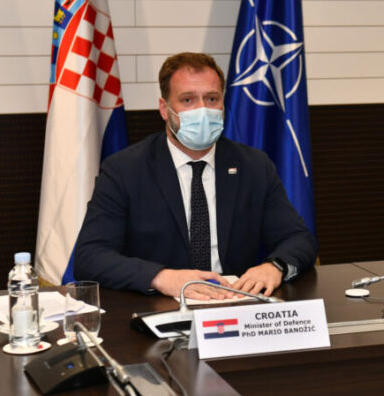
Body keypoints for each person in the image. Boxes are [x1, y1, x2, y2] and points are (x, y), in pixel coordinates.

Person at [73, 52, 317, 299]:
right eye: (188, 100)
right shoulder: (124, 169)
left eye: (212, 99)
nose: (202, 110)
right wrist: (161, 277)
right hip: (159, 304)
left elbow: (298, 238)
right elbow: (90, 256)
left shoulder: (254, 166)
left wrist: (274, 267)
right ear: (165, 109)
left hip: (234, 301)